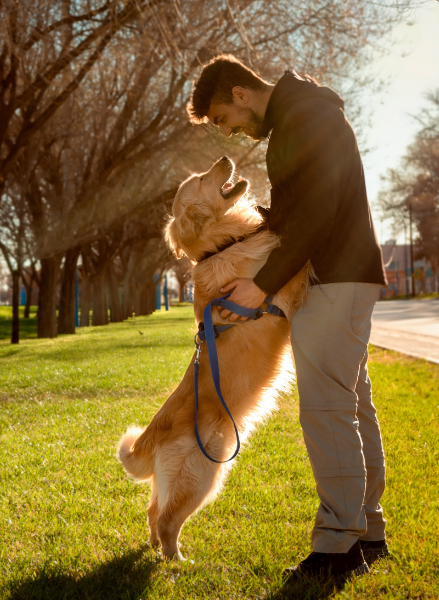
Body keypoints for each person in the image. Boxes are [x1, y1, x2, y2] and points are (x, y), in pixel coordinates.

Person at [186, 55, 389, 582]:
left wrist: (261, 283)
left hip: (334, 275)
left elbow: (317, 212)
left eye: (225, 121)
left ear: (240, 94)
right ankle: (368, 532)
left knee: (326, 410)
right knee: (350, 403)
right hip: (341, 273)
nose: (231, 133)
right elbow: (298, 210)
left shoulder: (304, 117)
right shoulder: (302, 117)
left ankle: (336, 547)